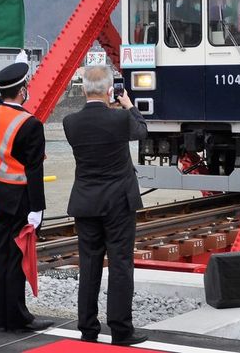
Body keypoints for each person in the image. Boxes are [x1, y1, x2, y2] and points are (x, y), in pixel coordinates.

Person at [62, 66, 149, 346]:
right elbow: (142, 131)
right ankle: (121, 330)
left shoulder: (70, 122)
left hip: (86, 203)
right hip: (119, 204)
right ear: (111, 90)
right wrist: (129, 106)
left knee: (89, 266)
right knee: (120, 264)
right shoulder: (121, 118)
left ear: (84, 89)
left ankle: (88, 329)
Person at [0, 56, 53, 333]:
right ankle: (18, 317)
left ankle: (2, 313)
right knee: (17, 258)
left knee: (4, 254)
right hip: (21, 197)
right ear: (22, 91)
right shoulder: (30, 124)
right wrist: (38, 209)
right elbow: (34, 170)